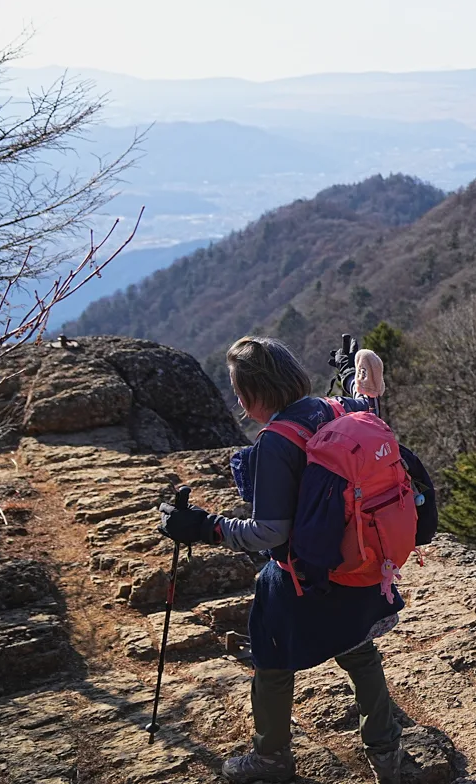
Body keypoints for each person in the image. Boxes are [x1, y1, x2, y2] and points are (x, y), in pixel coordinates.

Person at [158, 336, 411, 784]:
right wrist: (353, 375)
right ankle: (386, 753)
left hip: (303, 578)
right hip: (356, 564)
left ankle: (271, 756)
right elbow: (368, 405)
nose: (238, 400)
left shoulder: (276, 442)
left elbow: (269, 532)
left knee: (272, 661)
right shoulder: (335, 409)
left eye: (239, 390)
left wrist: (203, 527)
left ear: (254, 394)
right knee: (359, 651)